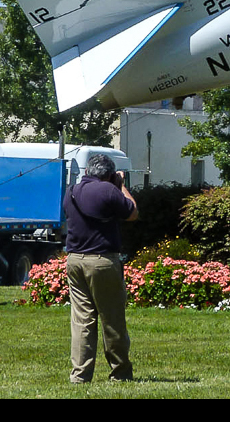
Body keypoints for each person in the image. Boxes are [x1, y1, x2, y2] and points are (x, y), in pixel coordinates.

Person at [63, 153, 138, 383]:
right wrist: (121, 185)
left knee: (82, 320)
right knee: (112, 318)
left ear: (87, 171)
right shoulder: (108, 190)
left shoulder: (72, 192)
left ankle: (80, 375)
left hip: (74, 260)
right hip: (102, 261)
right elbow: (133, 213)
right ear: (108, 174)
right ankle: (120, 372)